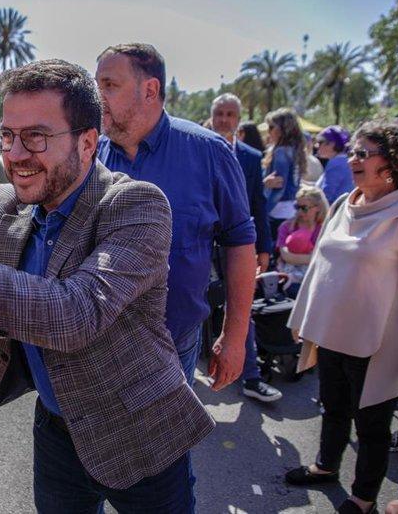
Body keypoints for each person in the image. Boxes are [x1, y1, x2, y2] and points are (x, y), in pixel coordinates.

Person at [0, 59, 214, 512]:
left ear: (88, 143)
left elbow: (75, 313)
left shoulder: (136, 205)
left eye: (37, 137)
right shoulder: (6, 205)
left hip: (139, 431)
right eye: (8, 136)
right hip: (57, 430)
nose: (16, 154)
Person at [285, 122, 398, 514]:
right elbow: (319, 266)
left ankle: (363, 497)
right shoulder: (342, 203)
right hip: (331, 333)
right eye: (353, 151)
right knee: (332, 408)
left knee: (371, 426)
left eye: (364, 153)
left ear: (394, 162)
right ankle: (325, 466)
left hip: (378, 342)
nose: (353, 159)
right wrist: (303, 316)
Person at [94, 43, 256, 395]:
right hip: (97, 343)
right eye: (97, 85)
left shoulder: (209, 152)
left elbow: (240, 244)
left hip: (172, 344)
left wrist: (234, 337)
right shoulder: (93, 156)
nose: (97, 95)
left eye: (109, 85)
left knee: (166, 450)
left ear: (149, 90)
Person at [210, 93, 281, 402]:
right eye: (220, 113)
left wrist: (263, 249)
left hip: (237, 247)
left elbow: (257, 205)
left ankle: (249, 377)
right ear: (212, 116)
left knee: (240, 309)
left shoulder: (251, 158)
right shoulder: (195, 150)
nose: (225, 119)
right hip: (200, 246)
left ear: (238, 119)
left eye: (230, 114)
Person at [262, 107, 307, 241]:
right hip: (291, 209)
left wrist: (263, 211)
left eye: (271, 127)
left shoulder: (281, 151)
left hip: (277, 211)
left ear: (283, 130)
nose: (268, 131)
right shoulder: (296, 150)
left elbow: (278, 188)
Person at [275, 186, 328, 298]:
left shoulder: (325, 229)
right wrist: (311, 258)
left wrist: (301, 258)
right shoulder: (286, 227)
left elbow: (325, 258)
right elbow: (286, 256)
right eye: (297, 207)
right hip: (289, 278)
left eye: (304, 208)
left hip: (316, 276)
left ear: (317, 208)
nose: (299, 211)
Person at [315, 125, 354, 203]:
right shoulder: (344, 160)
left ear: (331, 144)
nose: (316, 146)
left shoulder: (336, 163)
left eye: (320, 142)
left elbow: (325, 195)